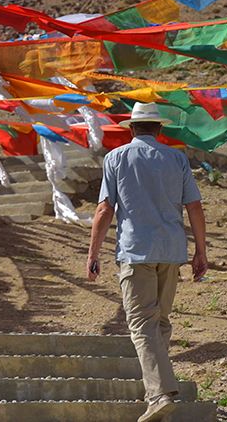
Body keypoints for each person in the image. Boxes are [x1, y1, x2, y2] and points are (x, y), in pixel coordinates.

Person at [86, 102, 208, 422]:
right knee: (160, 322)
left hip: (136, 251)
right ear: (160, 129)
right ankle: (157, 386)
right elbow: (194, 207)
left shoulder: (115, 158)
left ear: (131, 128)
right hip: (171, 251)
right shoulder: (177, 158)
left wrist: (93, 254)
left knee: (141, 324)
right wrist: (201, 251)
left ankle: (159, 393)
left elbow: (104, 210)